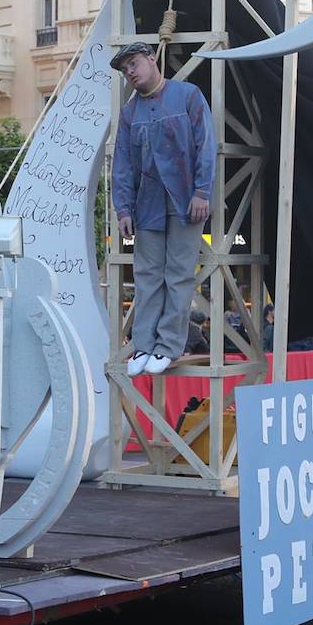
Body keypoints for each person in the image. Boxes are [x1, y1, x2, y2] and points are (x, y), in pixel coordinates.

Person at [111, 40, 215, 377]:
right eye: (125, 69)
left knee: (179, 274)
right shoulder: (129, 114)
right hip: (148, 205)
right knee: (147, 276)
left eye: (134, 64)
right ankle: (144, 344)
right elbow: (123, 164)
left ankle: (169, 345)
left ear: (152, 58)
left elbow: (205, 145)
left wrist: (202, 191)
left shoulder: (188, 96)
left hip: (185, 199)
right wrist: (123, 208)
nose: (130, 73)